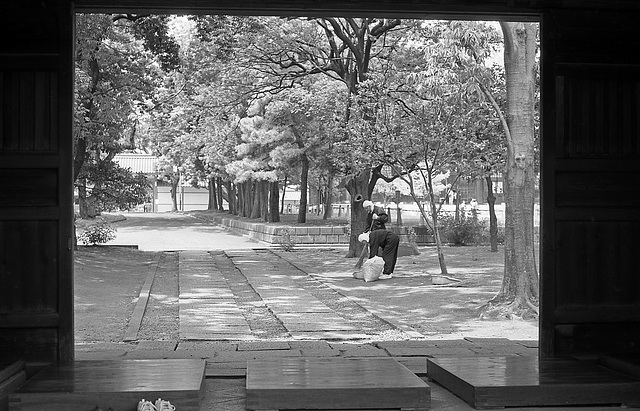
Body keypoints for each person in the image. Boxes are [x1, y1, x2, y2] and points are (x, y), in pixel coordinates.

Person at [362, 200, 400, 279]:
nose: (366, 210)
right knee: (386, 254)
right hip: (381, 237)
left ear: (369, 206)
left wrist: (378, 217)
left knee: (387, 255)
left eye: (366, 208)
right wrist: (366, 231)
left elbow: (385, 218)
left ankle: (388, 273)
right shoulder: (368, 215)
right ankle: (387, 272)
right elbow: (367, 226)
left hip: (384, 236)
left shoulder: (378, 209)